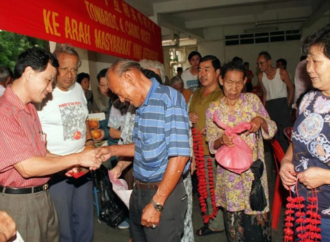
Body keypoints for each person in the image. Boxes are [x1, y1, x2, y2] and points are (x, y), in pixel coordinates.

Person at [0, 47, 101, 242]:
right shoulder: (5, 113)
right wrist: (78, 157)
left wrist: (71, 164)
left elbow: (42, 153)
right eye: (48, 80)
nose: (49, 88)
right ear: (29, 73)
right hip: (20, 201)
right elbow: (27, 167)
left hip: (42, 195)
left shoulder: (29, 108)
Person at [97, 59, 191, 242]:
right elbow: (145, 146)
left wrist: (157, 204)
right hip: (140, 192)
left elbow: (180, 155)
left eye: (119, 93)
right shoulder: (140, 106)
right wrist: (112, 150)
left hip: (163, 193)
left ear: (130, 77)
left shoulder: (169, 98)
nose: (121, 99)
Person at [206, 61, 276, 241]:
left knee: (258, 231)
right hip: (230, 178)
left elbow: (272, 128)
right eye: (230, 82)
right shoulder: (214, 108)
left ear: (245, 81)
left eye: (239, 83)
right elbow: (212, 144)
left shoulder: (252, 101)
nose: (234, 88)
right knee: (235, 231)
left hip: (254, 176)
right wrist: (222, 140)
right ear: (221, 80)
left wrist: (261, 120)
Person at [37, 44, 95, 242]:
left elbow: (84, 118)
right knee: (63, 223)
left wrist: (89, 141)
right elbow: (35, 135)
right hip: (57, 169)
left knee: (85, 216)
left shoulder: (78, 88)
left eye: (74, 69)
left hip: (82, 166)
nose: (70, 75)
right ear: (53, 66)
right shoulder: (43, 95)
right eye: (64, 68)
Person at [280, 23, 330, 241]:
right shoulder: (309, 99)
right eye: (307, 60)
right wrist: (285, 162)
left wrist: (326, 177)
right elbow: (298, 141)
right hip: (304, 205)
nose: (309, 68)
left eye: (316, 61)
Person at [189, 55, 225, 236]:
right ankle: (214, 220)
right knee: (206, 189)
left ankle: (218, 223)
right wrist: (189, 117)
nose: (202, 74)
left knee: (217, 188)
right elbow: (188, 115)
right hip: (198, 150)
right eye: (200, 70)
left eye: (207, 69)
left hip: (216, 151)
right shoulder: (195, 94)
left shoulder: (223, 95)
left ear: (217, 72)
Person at [257, 51, 294, 152]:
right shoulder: (261, 76)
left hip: (282, 105)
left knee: (285, 134)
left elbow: (291, 88)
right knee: (273, 134)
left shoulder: (282, 72)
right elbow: (264, 93)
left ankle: (288, 157)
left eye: (262, 63)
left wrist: (287, 104)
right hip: (270, 106)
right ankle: (278, 159)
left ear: (269, 62)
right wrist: (263, 110)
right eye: (258, 64)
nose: (259, 66)